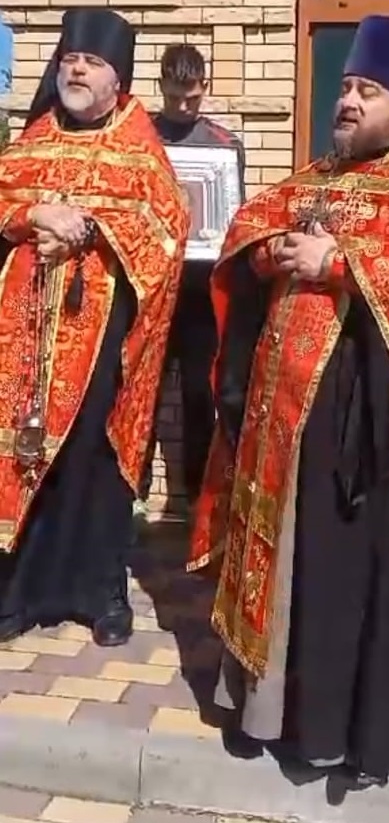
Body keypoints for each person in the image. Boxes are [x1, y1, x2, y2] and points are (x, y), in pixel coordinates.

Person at [189, 15, 389, 787]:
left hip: (369, 430)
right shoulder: (317, 178)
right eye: (347, 87)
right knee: (288, 565)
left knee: (346, 576)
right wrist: (273, 251)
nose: (349, 101)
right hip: (283, 421)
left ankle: (346, 731)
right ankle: (272, 713)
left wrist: (343, 262)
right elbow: (251, 227)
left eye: (369, 92)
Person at [0, 8, 189, 646]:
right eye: (70, 59)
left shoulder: (139, 147)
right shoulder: (34, 138)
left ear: (118, 79)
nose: (76, 70)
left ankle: (100, 593)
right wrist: (35, 215)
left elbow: (167, 224)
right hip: (23, 332)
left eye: (93, 62)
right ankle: (19, 591)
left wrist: (90, 229)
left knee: (95, 456)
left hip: (105, 333)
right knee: (25, 454)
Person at [140, 43, 245, 508]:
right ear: (161, 85)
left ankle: (196, 500)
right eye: (174, 97)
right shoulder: (140, 137)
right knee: (140, 390)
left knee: (202, 392)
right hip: (149, 287)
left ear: (205, 87)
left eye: (192, 98)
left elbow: (234, 216)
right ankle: (133, 491)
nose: (183, 107)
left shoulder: (223, 144)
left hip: (201, 291)